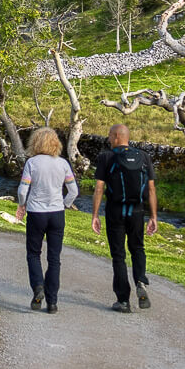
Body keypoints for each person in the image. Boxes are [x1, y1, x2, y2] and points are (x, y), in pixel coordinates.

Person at [90, 124, 157, 313]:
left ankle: (123, 301)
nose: (108, 139)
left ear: (117, 136)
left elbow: (99, 188)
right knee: (137, 248)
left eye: (110, 136)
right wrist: (153, 216)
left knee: (118, 255)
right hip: (137, 211)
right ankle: (140, 281)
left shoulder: (106, 157)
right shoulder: (144, 157)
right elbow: (151, 189)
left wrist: (95, 215)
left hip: (115, 211)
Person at [15, 127, 78, 314]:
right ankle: (52, 302)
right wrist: (64, 204)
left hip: (36, 213)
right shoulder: (63, 164)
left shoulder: (32, 163)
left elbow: (22, 190)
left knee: (33, 253)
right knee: (54, 258)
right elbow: (73, 191)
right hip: (56, 213)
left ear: (35, 142)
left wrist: (22, 205)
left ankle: (38, 287)